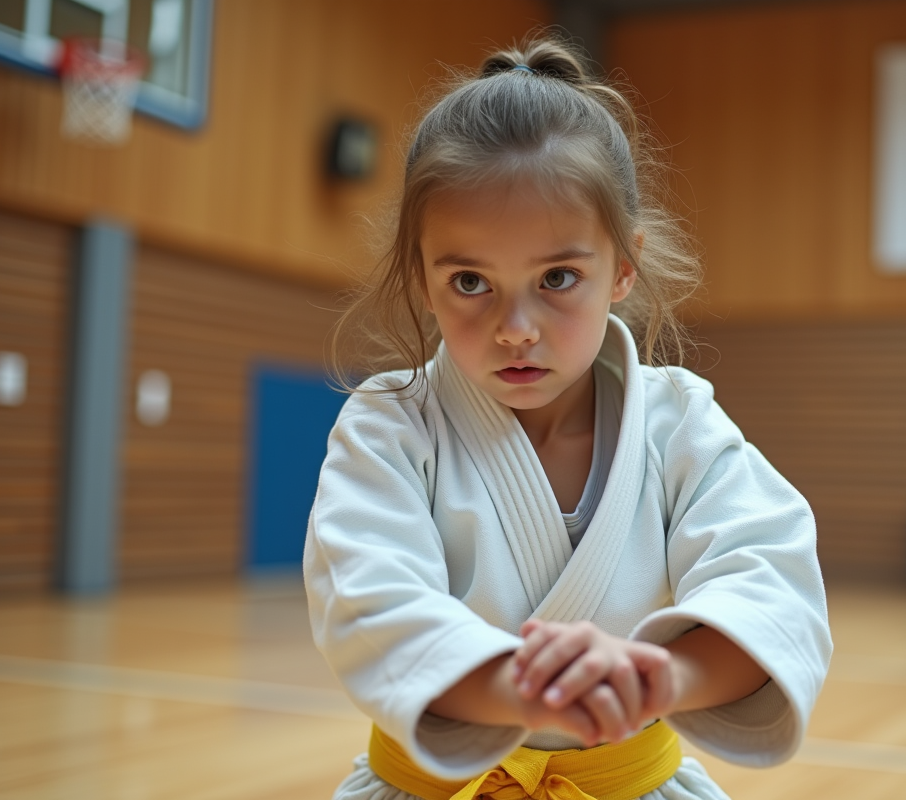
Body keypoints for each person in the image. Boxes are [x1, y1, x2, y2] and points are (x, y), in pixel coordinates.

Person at [304, 35, 832, 800]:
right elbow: (369, 603)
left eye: (557, 276)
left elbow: (770, 579)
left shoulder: (678, 424)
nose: (516, 326)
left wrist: (660, 676)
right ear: (422, 277)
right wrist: (522, 693)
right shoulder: (390, 427)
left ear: (623, 266)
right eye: (470, 281)